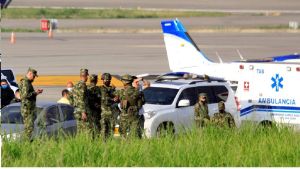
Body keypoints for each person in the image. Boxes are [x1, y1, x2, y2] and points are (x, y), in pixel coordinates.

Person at [115, 74, 145, 138]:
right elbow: (142, 102)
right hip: (135, 117)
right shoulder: (138, 92)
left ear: (125, 82)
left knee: (122, 136)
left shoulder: (120, 92)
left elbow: (115, 100)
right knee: (135, 136)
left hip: (124, 117)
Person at [19, 67, 43, 141]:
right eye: (33, 76)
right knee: (29, 128)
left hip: (28, 108)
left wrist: (35, 93)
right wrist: (35, 92)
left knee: (29, 128)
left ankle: (27, 141)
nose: (34, 78)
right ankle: (27, 142)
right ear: (29, 74)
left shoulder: (26, 82)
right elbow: (25, 95)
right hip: (27, 109)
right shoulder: (26, 82)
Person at [99, 73, 117, 139]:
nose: (107, 81)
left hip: (112, 112)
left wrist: (116, 97)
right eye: (106, 79)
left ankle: (110, 143)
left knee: (112, 129)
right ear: (103, 80)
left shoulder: (112, 89)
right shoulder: (100, 88)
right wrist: (113, 99)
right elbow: (105, 99)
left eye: (109, 79)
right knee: (104, 130)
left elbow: (116, 97)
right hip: (103, 113)